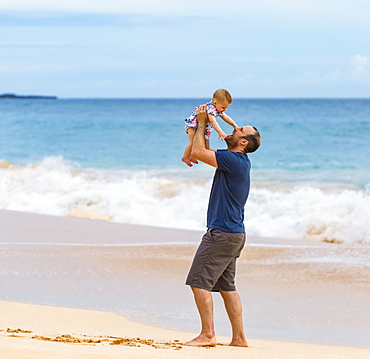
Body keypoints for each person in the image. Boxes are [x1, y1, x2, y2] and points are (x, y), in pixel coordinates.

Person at [184, 104, 261, 347]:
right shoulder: (236, 160)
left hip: (223, 234)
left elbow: (197, 152)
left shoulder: (233, 160)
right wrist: (202, 125)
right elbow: (202, 149)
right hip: (234, 234)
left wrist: (202, 120)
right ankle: (239, 338)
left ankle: (208, 334)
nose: (234, 128)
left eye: (240, 130)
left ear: (244, 142)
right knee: (227, 287)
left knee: (198, 282)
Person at [182, 89, 239, 167]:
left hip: (204, 127)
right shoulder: (211, 108)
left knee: (206, 146)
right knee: (193, 143)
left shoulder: (217, 107)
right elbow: (213, 121)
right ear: (215, 103)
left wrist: (234, 125)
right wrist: (220, 131)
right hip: (193, 125)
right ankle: (185, 157)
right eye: (223, 107)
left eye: (226, 108)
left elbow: (226, 117)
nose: (224, 110)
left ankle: (193, 156)